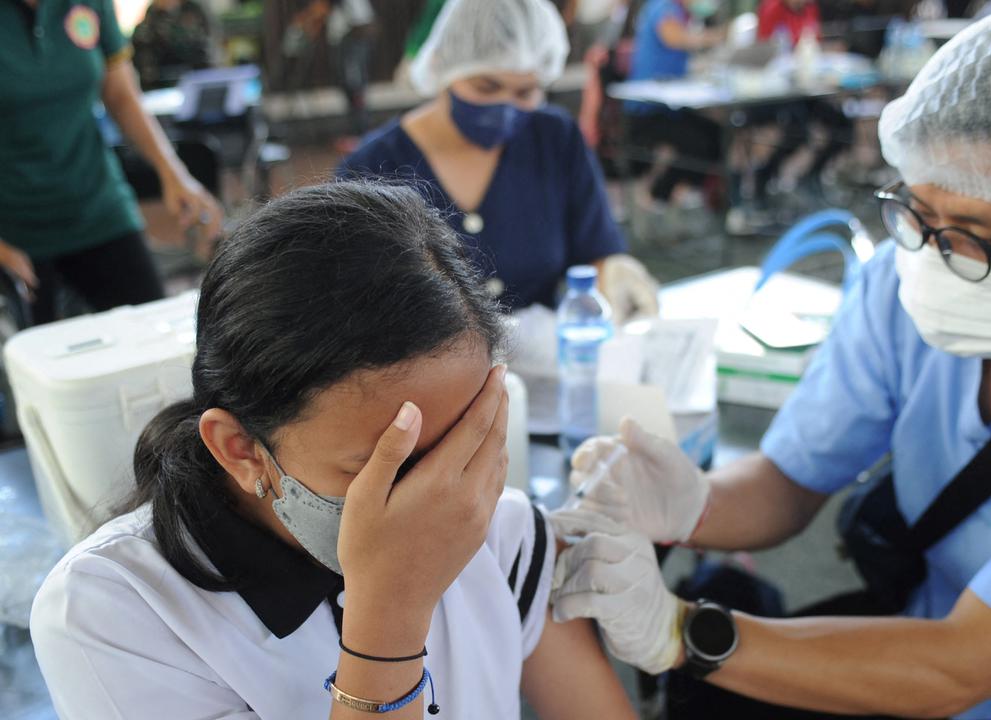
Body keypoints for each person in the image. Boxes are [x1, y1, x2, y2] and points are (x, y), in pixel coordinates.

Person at [550, 10, 991, 719]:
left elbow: (958, 667)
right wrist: (693, 502)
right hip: (912, 639)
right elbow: (789, 482)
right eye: (917, 212)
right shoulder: (898, 289)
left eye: (974, 239)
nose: (929, 258)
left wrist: (680, 631)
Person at [30, 183, 636, 720]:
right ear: (242, 450)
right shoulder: (111, 615)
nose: (441, 494)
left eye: (465, 440)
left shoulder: (495, 529)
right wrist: (389, 619)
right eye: (387, 465)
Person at [338, 0, 658, 321]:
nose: (504, 106)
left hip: (544, 358)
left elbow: (595, 251)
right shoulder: (372, 169)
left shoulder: (554, 138)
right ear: (443, 67)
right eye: (486, 86)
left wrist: (612, 273)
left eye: (525, 92)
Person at [0, 0, 222, 326]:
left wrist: (174, 173)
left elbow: (120, 94)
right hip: (15, 225)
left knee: (151, 331)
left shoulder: (91, 4)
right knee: (30, 361)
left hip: (98, 205)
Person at [625, 0, 727, 205]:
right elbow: (676, 38)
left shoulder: (682, 13)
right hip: (646, 111)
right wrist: (719, 35)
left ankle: (679, 195)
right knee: (697, 142)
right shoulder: (662, 7)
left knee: (717, 134)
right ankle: (660, 196)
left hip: (672, 108)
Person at [749, 0, 849, 204]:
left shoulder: (810, 8)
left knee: (843, 125)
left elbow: (813, 45)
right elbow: (763, 52)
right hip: (776, 91)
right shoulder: (772, 9)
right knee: (797, 131)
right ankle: (763, 183)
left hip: (807, 88)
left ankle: (812, 177)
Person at [130, 0, 216, 90]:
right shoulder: (151, 19)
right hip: (159, 86)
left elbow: (207, 47)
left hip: (197, 80)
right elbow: (144, 64)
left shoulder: (193, 10)